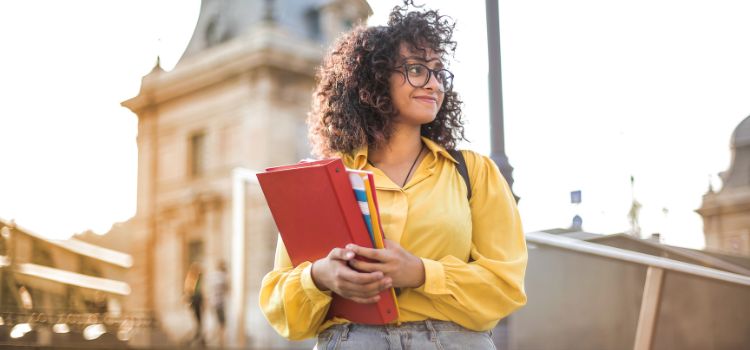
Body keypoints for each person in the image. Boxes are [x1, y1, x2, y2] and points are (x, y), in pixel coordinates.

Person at [259, 2, 527, 348]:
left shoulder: (474, 172)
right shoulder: (324, 180)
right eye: (416, 69)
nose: (433, 84)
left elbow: (506, 287)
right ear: (374, 78)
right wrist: (320, 276)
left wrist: (420, 272)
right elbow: (282, 308)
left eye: (439, 71)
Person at [208, 260, 229, 347]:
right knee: (222, 324)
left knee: (217, 322)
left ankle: (217, 341)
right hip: (220, 303)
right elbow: (227, 288)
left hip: (213, 302)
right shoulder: (222, 276)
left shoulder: (213, 276)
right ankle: (221, 343)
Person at [184, 262, 204, 346]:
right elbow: (189, 291)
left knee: (198, 320)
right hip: (195, 300)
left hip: (197, 300)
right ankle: (196, 337)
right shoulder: (191, 279)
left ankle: (199, 337)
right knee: (197, 320)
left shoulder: (197, 279)